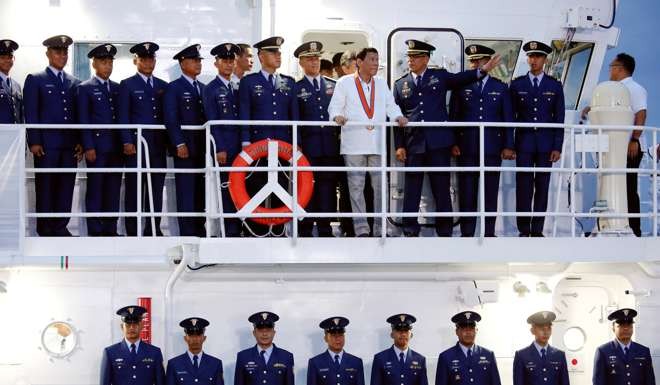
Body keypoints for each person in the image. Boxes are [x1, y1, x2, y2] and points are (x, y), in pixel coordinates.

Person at [393, 40, 500, 237]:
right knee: (412, 189)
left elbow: (461, 79)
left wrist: (482, 70)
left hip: (438, 143)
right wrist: (399, 145)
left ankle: (445, 231)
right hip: (413, 143)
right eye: (409, 56)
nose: (411, 60)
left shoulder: (439, 76)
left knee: (441, 189)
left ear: (426, 59)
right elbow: (396, 114)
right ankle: (409, 229)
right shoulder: (400, 84)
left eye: (415, 57)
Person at [328, 47, 407, 237]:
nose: (375, 63)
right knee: (356, 187)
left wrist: (398, 117)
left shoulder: (381, 83)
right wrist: (337, 116)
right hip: (354, 143)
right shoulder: (344, 82)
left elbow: (391, 105)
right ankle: (361, 229)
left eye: (377, 59)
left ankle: (380, 228)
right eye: (371, 59)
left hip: (377, 143)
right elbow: (334, 107)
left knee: (380, 186)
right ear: (359, 62)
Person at [449, 44, 514, 237]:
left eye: (479, 61)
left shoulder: (500, 87)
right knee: (467, 193)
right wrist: (453, 142)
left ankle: (489, 233)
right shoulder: (461, 87)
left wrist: (509, 145)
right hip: (466, 147)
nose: (474, 64)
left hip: (492, 149)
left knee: (490, 192)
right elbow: (454, 116)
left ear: (488, 63)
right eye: (472, 61)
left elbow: (508, 118)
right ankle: (467, 234)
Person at [238, 36, 299, 237]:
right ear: (261, 56)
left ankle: (279, 229)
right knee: (256, 186)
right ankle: (256, 231)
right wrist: (246, 142)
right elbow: (244, 112)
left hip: (282, 146)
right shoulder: (249, 82)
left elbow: (294, 116)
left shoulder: (288, 82)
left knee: (281, 186)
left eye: (279, 52)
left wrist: (295, 143)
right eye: (273, 52)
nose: (278, 56)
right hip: (257, 145)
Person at [583, 53, 648, 236]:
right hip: (611, 147)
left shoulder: (634, 89)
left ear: (620, 68)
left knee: (628, 187)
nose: (609, 70)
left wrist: (634, 139)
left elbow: (641, 114)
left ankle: (634, 228)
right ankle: (605, 223)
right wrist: (590, 108)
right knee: (608, 185)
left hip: (629, 147)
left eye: (611, 66)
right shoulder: (615, 89)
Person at [24, 35, 82, 236]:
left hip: (69, 145)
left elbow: (78, 116)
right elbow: (31, 112)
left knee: (66, 187)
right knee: (46, 186)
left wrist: (80, 142)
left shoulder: (74, 82)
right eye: (58, 51)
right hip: (46, 146)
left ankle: (60, 226)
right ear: (48, 53)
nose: (62, 55)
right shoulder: (36, 79)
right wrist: (34, 141)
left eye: (65, 52)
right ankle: (45, 227)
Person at [510, 41, 565, 237]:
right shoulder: (517, 84)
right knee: (523, 186)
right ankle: (524, 229)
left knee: (542, 185)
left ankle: (537, 229)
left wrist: (557, 146)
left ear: (545, 59)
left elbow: (559, 119)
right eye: (531, 56)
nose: (533, 60)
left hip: (545, 144)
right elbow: (511, 116)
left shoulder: (554, 85)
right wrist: (510, 144)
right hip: (524, 143)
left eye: (538, 56)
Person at [119, 42, 168, 236]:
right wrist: (126, 141)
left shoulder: (163, 86)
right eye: (143, 59)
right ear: (135, 61)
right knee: (135, 190)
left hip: (157, 146)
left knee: (156, 190)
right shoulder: (127, 84)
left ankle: (153, 229)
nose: (148, 62)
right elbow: (123, 115)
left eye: (151, 58)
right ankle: (133, 230)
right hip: (136, 146)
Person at [294, 41, 339, 237]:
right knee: (306, 187)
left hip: (329, 145)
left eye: (317, 58)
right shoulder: (296, 88)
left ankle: (324, 227)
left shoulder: (333, 85)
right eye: (310, 59)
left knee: (327, 187)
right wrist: (297, 144)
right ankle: (304, 227)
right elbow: (295, 117)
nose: (314, 62)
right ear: (301, 63)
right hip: (308, 146)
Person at [77, 43, 122, 236]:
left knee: (113, 189)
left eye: (110, 62)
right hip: (96, 147)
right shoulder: (85, 88)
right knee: (95, 188)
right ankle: (95, 230)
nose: (108, 66)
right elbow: (83, 119)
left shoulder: (118, 88)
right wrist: (88, 146)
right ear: (94, 64)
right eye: (103, 62)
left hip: (116, 148)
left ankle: (110, 229)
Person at [164, 44, 207, 236]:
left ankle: (200, 228)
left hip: (203, 148)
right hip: (185, 149)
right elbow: (171, 117)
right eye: (193, 60)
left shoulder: (204, 88)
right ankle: (188, 233)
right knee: (186, 191)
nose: (198, 64)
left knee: (201, 190)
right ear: (182, 63)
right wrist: (179, 143)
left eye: (199, 60)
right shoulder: (174, 88)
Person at [204, 42, 243, 237]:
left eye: (231, 60)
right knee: (226, 189)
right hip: (225, 147)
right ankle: (230, 230)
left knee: (241, 187)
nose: (228, 64)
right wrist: (219, 147)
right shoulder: (211, 88)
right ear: (216, 63)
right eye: (224, 61)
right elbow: (212, 119)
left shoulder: (238, 86)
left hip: (241, 146)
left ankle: (241, 226)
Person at [100, 305, 165, 385]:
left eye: (135, 324)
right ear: (121, 327)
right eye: (127, 325)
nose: (131, 328)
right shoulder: (110, 353)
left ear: (142, 326)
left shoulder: (154, 352)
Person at [435, 311, 501, 385]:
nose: (468, 332)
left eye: (471, 328)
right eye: (464, 328)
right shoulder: (445, 357)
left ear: (476, 330)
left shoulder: (488, 355)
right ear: (457, 331)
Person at [593, 308, 655, 385]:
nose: (626, 328)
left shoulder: (643, 351)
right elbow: (598, 382)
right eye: (621, 325)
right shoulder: (603, 351)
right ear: (613, 328)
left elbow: (650, 381)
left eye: (629, 325)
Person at [234, 312, 294, 385]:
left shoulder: (286, 357)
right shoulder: (243, 356)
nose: (264, 334)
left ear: (274, 333)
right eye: (260, 330)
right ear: (254, 333)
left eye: (268, 330)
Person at [512, 311, 569, 385]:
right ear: (532, 331)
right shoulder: (521, 356)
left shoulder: (559, 355)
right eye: (541, 328)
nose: (546, 332)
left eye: (548, 328)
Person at [371, 314, 427, 385]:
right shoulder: (380, 359)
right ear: (392, 334)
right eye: (399, 330)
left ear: (411, 335)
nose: (403, 334)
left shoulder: (420, 360)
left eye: (406, 331)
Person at [307, 317, 365, 385]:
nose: (338, 339)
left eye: (340, 335)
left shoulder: (356, 362)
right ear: (325, 338)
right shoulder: (315, 363)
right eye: (333, 335)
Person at [166, 317, 224, 385]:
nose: (195, 339)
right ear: (185, 338)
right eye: (191, 335)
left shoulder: (215, 364)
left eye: (198, 335)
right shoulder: (174, 364)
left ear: (204, 338)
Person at [0, 39, 23, 124]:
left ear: (14, 59)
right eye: (2, 58)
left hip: (15, 135)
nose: (7, 61)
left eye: (10, 57)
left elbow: (20, 114)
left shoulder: (17, 86)